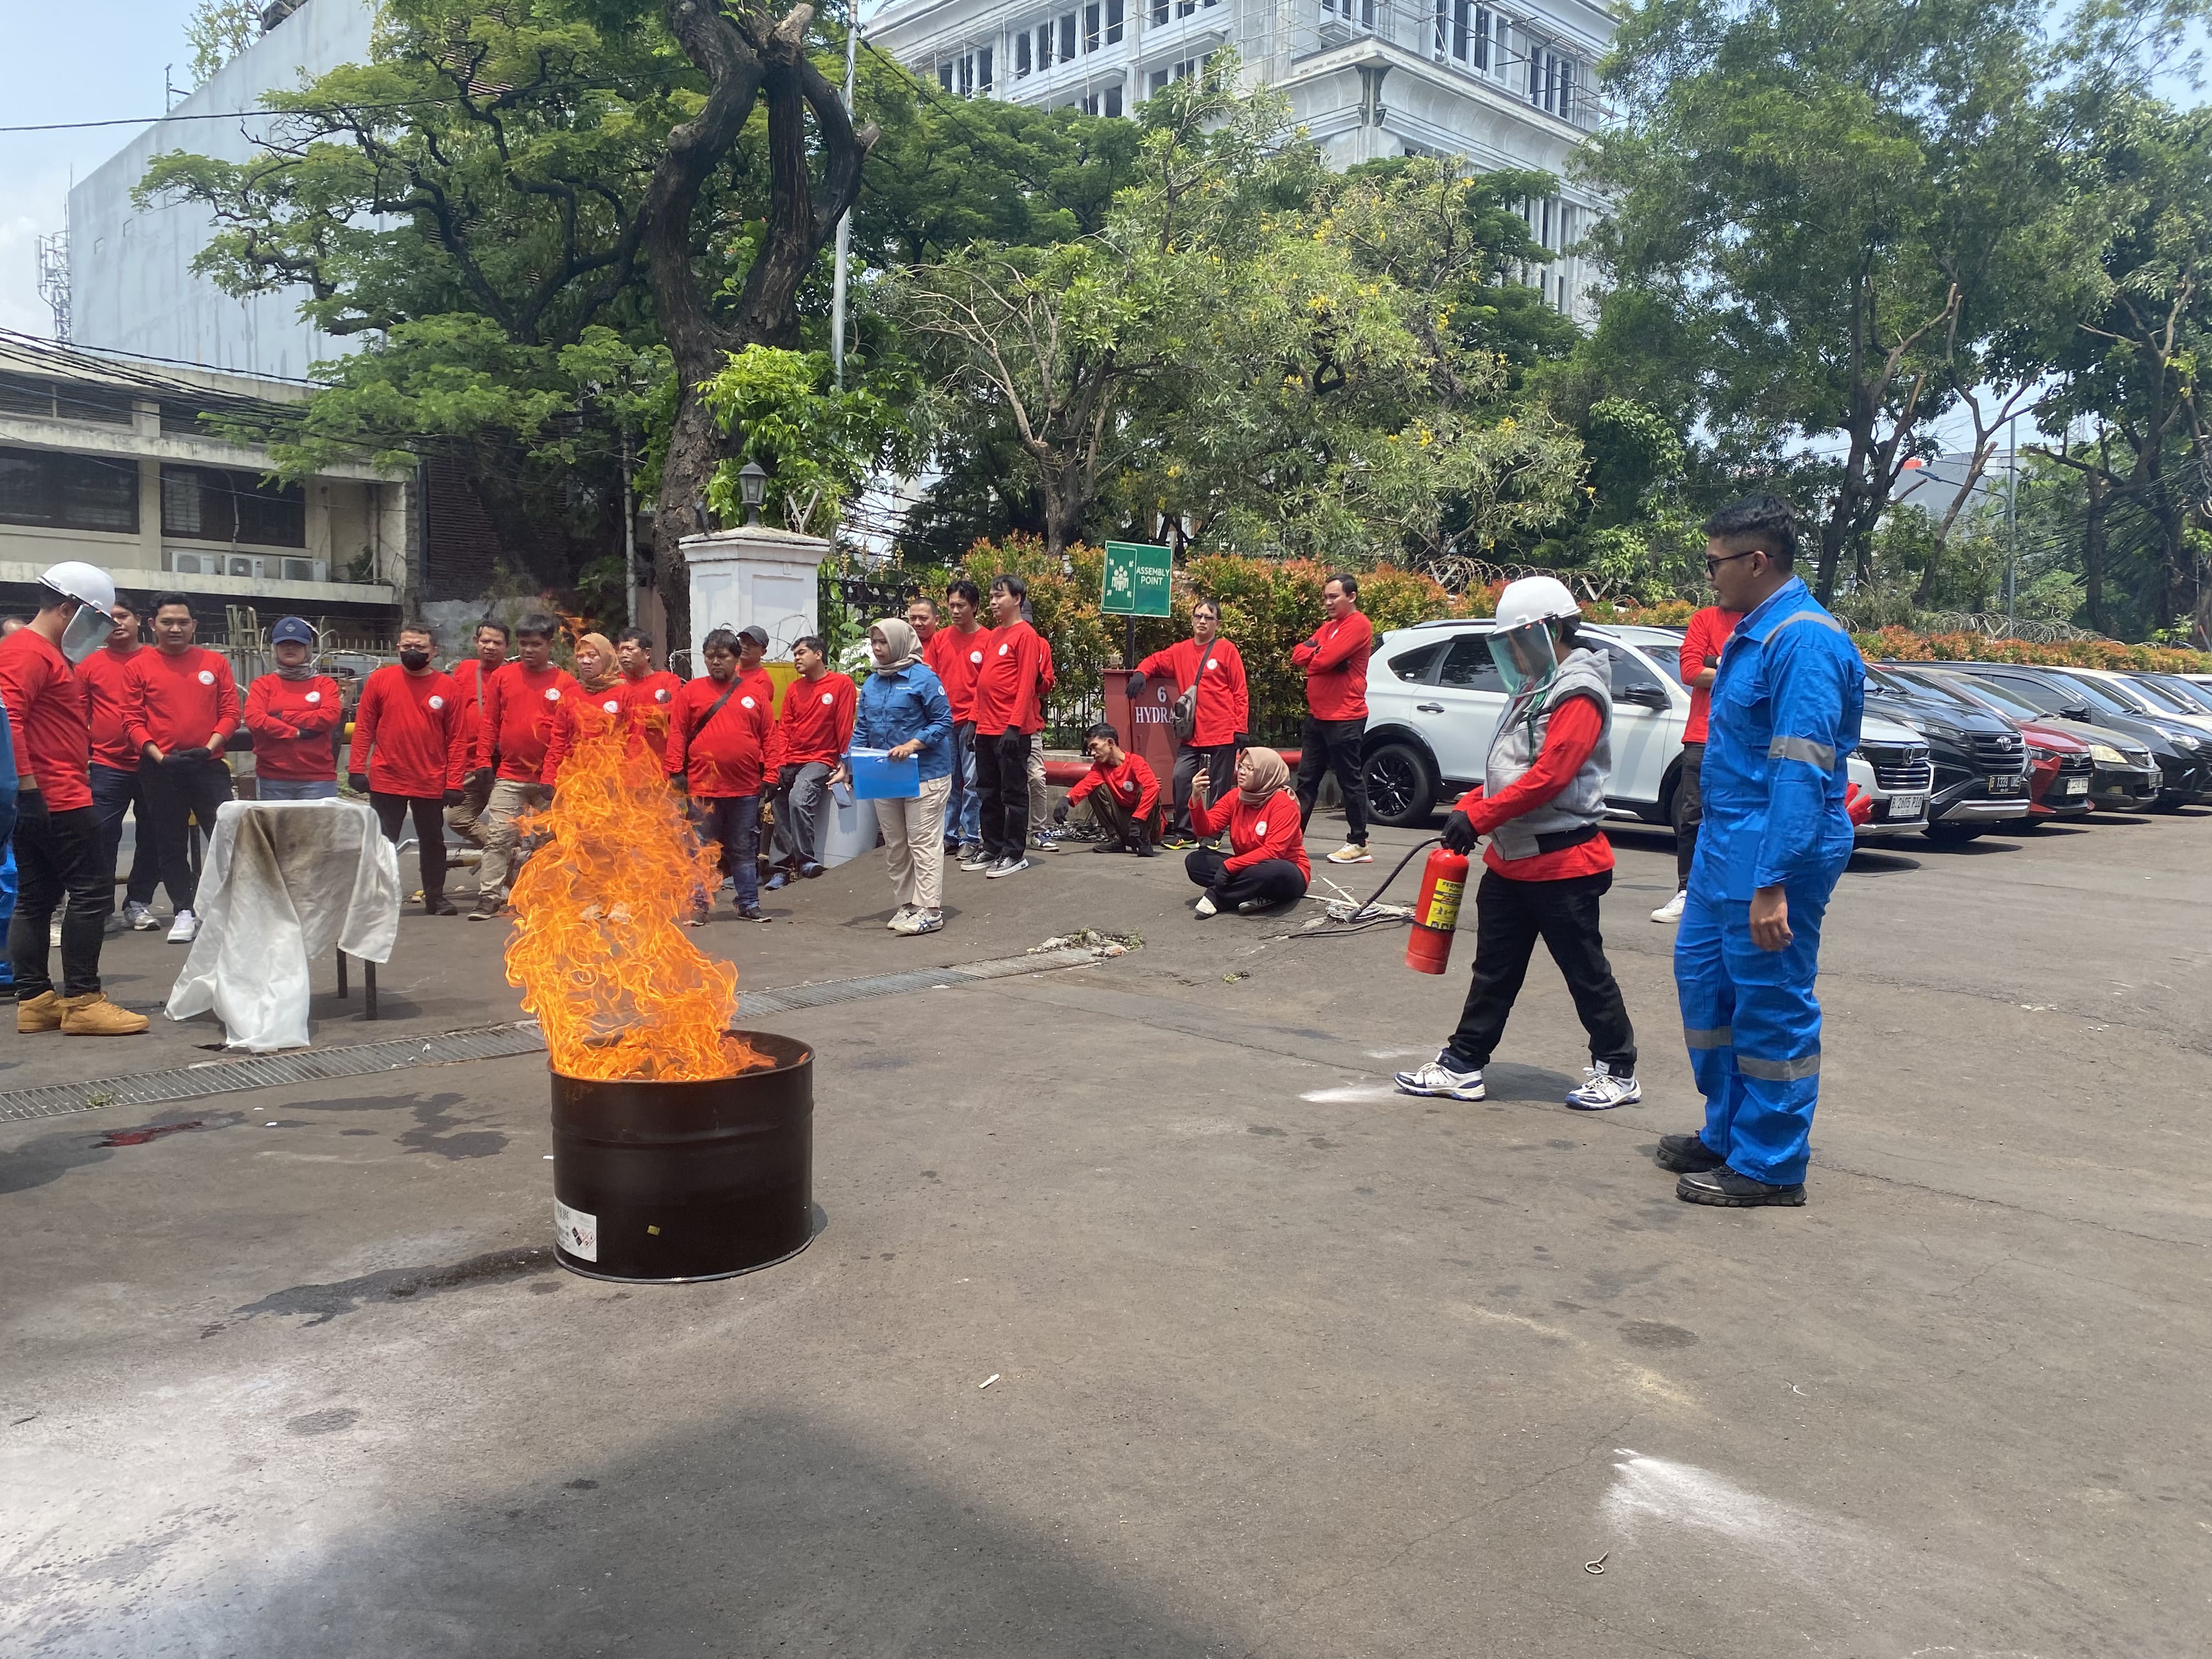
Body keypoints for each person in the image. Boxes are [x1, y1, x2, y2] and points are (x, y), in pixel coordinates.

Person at [1661, 495, 1863, 1208]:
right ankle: (1728, 1132)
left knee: (1770, 1002)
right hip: (1726, 846)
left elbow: (1800, 772)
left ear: (1756, 561)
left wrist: (1774, 881)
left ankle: (1771, 1165)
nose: (1708, 575)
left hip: (1773, 847)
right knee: (1708, 990)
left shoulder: (1803, 641)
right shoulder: (1752, 631)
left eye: (1713, 562)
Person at [1393, 577, 1641, 1113]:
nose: (1514, 653)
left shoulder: (1578, 689)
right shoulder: (1536, 683)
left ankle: (1618, 1069)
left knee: (1585, 973)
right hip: (1513, 857)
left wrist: (1480, 816)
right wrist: (1471, 805)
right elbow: (1511, 770)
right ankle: (1463, 1064)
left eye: (1518, 641)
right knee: (1494, 971)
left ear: (1550, 631)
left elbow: (1551, 776)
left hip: (1563, 861)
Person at [1, 562, 146, 1034]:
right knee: (91, 894)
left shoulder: (39, 652)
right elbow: (8, 720)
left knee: (36, 896)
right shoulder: (29, 652)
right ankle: (83, 1000)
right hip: (56, 794)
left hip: (44, 793)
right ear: (69, 609)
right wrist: (29, 789)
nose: (100, 632)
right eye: (97, 620)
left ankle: (35, 1000)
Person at [124, 594, 239, 945]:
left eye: (183, 622)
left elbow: (231, 713)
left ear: (194, 626)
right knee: (170, 844)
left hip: (209, 766)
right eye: (167, 622)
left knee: (225, 838)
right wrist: (159, 757)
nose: (175, 628)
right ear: (152, 625)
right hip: (161, 769)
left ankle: (233, 910)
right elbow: (132, 721)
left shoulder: (214, 663)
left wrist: (209, 748)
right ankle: (184, 911)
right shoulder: (138, 666)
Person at [838, 618, 953, 935]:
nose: (877, 648)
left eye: (884, 642)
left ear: (901, 643)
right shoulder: (872, 684)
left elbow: (944, 721)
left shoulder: (924, 678)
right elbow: (863, 729)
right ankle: (908, 905)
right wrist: (846, 765)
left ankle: (930, 910)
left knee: (923, 842)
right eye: (874, 642)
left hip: (925, 774)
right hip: (885, 775)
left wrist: (913, 744)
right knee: (896, 844)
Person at [349, 623, 467, 915]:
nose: (413, 652)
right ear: (398, 648)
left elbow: (457, 739)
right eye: (407, 647)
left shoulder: (448, 688)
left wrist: (454, 782)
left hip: (430, 780)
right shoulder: (380, 680)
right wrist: (356, 768)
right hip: (387, 778)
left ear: (434, 651)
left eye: (420, 648)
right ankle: (378, 900)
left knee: (433, 841)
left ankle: (435, 898)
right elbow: (364, 728)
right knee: (382, 842)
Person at [469, 614, 580, 920]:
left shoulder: (565, 684)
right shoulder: (503, 677)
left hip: (550, 780)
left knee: (548, 842)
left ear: (550, 645)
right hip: (510, 775)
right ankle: (489, 897)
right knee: (499, 838)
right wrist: (482, 761)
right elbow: (490, 722)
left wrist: (556, 776)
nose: (529, 650)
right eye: (523, 644)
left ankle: (542, 897)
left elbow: (569, 735)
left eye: (536, 644)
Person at [665, 627, 776, 923]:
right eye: (710, 656)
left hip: (745, 787)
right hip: (702, 787)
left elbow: (770, 736)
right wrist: (675, 770)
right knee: (700, 849)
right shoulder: (691, 692)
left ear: (736, 659)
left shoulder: (755, 692)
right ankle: (699, 905)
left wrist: (772, 773)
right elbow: (677, 733)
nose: (715, 662)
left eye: (723, 656)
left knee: (743, 848)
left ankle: (749, 903)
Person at [1652, 596, 1745, 924]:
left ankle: (1733, 895)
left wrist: (1716, 661)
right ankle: (1687, 891)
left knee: (1739, 817)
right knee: (1693, 816)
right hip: (1702, 736)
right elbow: (1691, 671)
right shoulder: (1705, 619)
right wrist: (1737, 667)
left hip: (1746, 738)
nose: (1714, 578)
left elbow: (1768, 673)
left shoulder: (1764, 620)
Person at [1133, 597, 1249, 849]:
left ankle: (1214, 832)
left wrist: (1241, 728)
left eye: (1209, 617)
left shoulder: (1227, 649)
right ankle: (1186, 832)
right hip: (1191, 733)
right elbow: (1155, 660)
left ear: (1217, 623)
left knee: (1218, 786)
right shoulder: (1180, 651)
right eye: (1199, 616)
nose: (1202, 621)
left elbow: (1240, 690)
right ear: (1192, 620)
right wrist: (1141, 673)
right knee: (1181, 777)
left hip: (1222, 731)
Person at [77, 596, 159, 931]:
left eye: (123, 616)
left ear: (138, 619)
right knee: (101, 836)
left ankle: (138, 903)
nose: (117, 623)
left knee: (152, 835)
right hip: (108, 764)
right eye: (108, 618)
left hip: (154, 763)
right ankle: (101, 908)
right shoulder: (88, 666)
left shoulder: (158, 660)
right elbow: (79, 716)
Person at [966, 574, 1049, 879]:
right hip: (986, 727)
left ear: (1017, 599)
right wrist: (973, 720)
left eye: (999, 596)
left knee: (1012, 793)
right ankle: (992, 845)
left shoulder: (1025, 635)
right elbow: (983, 684)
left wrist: (1014, 726)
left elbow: (1027, 684)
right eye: (991, 596)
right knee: (987, 790)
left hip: (1010, 730)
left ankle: (1014, 852)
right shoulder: (994, 636)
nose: (993, 602)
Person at [1292, 572, 1376, 866]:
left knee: (1349, 779)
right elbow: (1298, 655)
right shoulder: (1328, 628)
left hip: (1346, 716)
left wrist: (1320, 659)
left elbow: (1323, 661)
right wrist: (1320, 656)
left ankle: (1359, 842)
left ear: (1351, 597)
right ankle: (1291, 840)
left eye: (1334, 597)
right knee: (1306, 780)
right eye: (1326, 597)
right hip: (1318, 715)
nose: (1328, 603)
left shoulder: (1359, 624)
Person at [766, 635, 856, 888]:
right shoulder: (794, 689)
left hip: (821, 758)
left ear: (819, 655)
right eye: (795, 654)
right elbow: (784, 728)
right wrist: (780, 763)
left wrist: (845, 764)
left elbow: (844, 726)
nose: (796, 658)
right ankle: (781, 869)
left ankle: (805, 860)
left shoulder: (841, 684)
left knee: (798, 798)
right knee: (780, 804)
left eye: (802, 653)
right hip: (791, 759)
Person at [1185, 747, 1309, 917]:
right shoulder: (1236, 796)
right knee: (1196, 861)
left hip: (1285, 868)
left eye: (1250, 769)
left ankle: (1218, 897)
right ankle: (1253, 893)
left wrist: (1230, 867)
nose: (1242, 772)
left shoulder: (1283, 802)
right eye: (1241, 766)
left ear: (1266, 773)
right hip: (1247, 866)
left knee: (1272, 872)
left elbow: (1274, 851)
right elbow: (1206, 829)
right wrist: (1196, 798)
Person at [244, 616, 343, 800]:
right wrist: (295, 733)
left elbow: (330, 716)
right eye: (284, 644)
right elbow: (254, 720)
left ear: (308, 649)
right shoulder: (263, 685)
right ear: (275, 648)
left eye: (297, 644)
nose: (290, 648)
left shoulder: (325, 684)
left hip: (318, 779)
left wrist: (283, 716)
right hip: (273, 778)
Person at [927, 581, 988, 862]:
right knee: (948, 781)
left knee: (972, 782)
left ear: (974, 606)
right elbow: (931, 680)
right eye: (951, 605)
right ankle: (949, 835)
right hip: (944, 723)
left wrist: (975, 719)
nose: (955, 610)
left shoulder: (988, 640)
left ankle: (971, 836)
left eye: (961, 605)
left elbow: (987, 686)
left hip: (974, 722)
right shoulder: (940, 640)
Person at [445, 619, 510, 847]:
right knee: (457, 818)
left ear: (507, 647)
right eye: (485, 641)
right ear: (476, 642)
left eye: (497, 643)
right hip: (470, 763)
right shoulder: (464, 671)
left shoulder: (515, 675)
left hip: (502, 765)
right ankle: (510, 851)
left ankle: (509, 856)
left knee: (507, 822)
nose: (490, 647)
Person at [1053, 723, 1160, 855]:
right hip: (1125, 824)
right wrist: (1067, 799)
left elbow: (1153, 787)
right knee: (1096, 789)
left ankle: (1144, 841)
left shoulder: (1135, 761)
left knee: (1149, 788)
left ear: (1110, 743)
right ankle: (1116, 840)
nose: (1092, 753)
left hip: (1145, 825)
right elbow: (1087, 784)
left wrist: (1138, 820)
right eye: (1090, 749)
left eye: (1095, 746)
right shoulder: (1100, 767)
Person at [540, 633, 624, 785]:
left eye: (593, 656)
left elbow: (635, 740)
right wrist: (548, 778)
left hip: (614, 779)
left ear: (606, 657)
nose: (586, 661)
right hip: (575, 778)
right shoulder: (570, 695)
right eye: (580, 656)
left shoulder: (625, 693)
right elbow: (558, 740)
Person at [615, 627, 681, 752]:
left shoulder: (668, 680)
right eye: (621, 650)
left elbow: (674, 712)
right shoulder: (614, 684)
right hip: (624, 758)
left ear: (647, 654)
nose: (624, 654)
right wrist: (655, 712)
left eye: (630, 649)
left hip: (661, 757)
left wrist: (631, 714)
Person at [1025, 633, 1060, 854]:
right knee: (1004, 782)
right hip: (999, 725)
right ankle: (1004, 833)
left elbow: (1047, 685)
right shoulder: (997, 640)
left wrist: (1037, 677)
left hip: (1031, 724)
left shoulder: (1040, 645)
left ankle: (1038, 831)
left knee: (1037, 777)